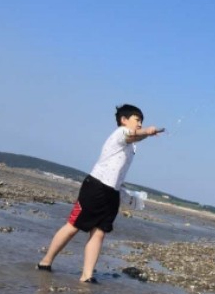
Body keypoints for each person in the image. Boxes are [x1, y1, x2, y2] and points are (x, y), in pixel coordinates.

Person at [36, 104, 164, 282]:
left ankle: (87, 276)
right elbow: (132, 135)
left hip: (112, 193)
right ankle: (45, 261)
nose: (140, 124)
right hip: (95, 187)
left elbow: (135, 140)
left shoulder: (132, 145)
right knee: (73, 226)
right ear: (124, 120)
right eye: (137, 120)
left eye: (142, 121)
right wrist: (148, 132)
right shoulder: (120, 133)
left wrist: (146, 134)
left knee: (99, 232)